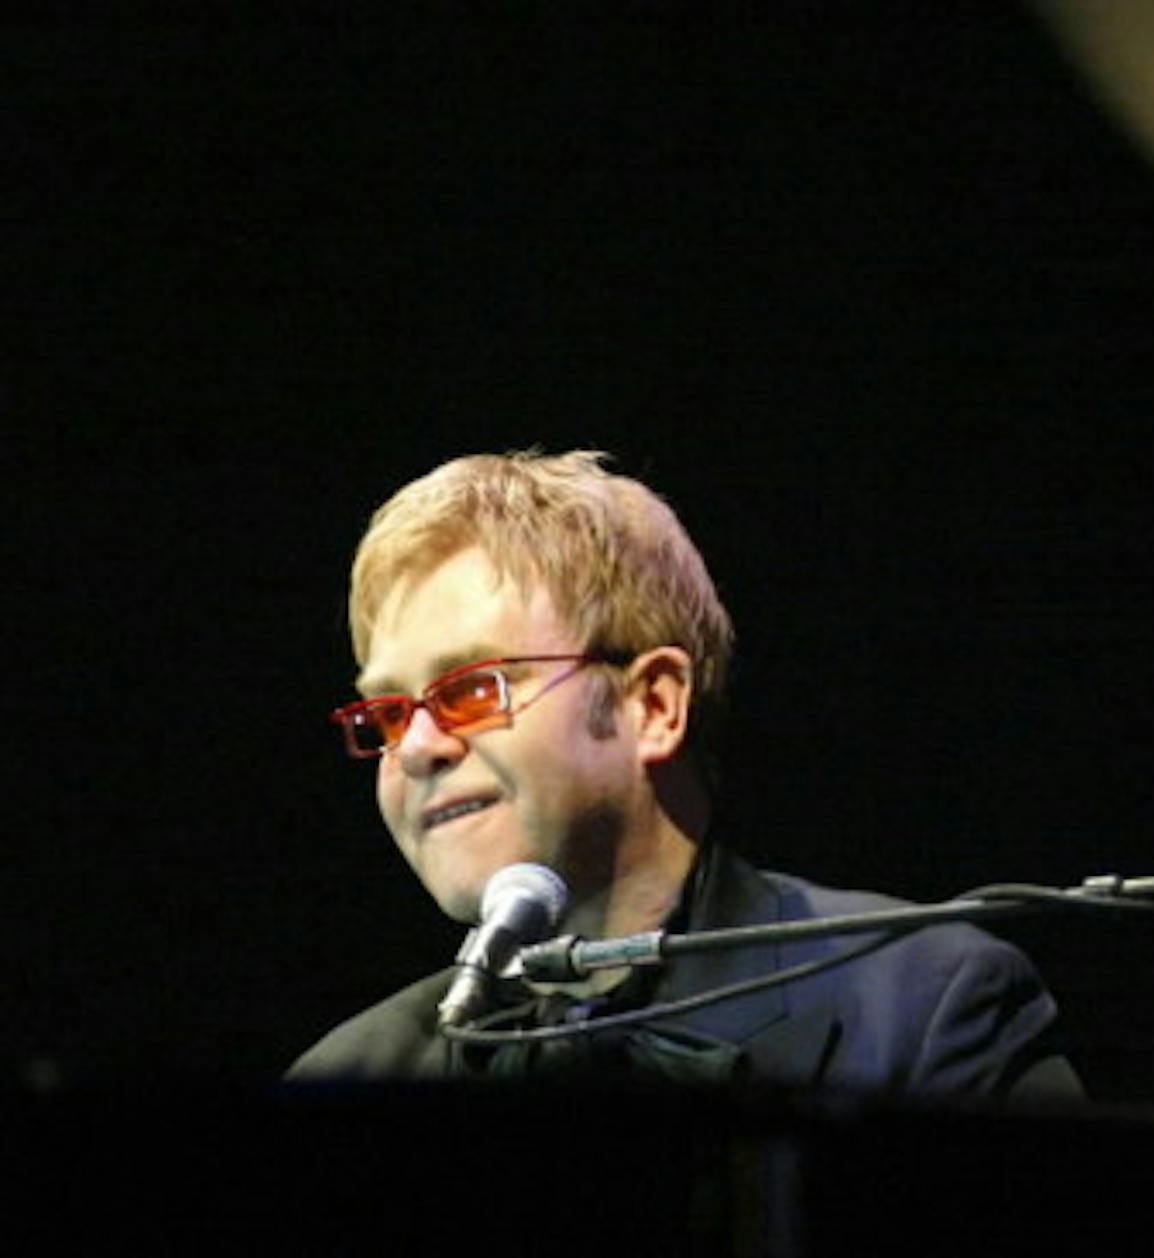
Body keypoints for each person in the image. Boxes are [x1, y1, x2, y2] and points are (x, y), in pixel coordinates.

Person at [288, 449, 1079, 1098]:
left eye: (471, 691)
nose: (416, 748)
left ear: (655, 705)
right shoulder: (348, 1077)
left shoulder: (925, 1003)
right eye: (389, 714)